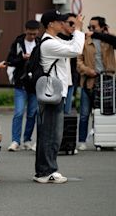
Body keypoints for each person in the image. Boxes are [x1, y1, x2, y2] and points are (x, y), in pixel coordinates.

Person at [34, 10, 84, 184]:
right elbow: (76, 50)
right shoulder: (49, 44)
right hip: (51, 94)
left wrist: (75, 30)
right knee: (51, 135)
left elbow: (72, 44)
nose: (63, 24)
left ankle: (44, 170)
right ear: (50, 24)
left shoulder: (54, 40)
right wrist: (78, 29)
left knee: (50, 134)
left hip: (54, 93)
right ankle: (47, 171)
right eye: (60, 21)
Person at [77, 16, 116, 151]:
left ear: (102, 27)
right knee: (84, 113)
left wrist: (104, 33)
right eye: (89, 27)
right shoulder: (85, 41)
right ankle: (82, 141)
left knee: (103, 112)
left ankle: (101, 140)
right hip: (89, 80)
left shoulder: (108, 41)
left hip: (106, 81)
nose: (90, 30)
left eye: (93, 27)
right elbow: (79, 61)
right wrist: (87, 70)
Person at [6, 20, 40, 151]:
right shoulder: (17, 43)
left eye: (34, 34)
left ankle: (27, 140)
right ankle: (15, 141)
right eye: (30, 33)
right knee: (19, 113)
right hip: (20, 82)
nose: (32, 36)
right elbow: (10, 60)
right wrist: (22, 59)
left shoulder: (40, 43)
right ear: (25, 30)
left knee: (32, 113)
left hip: (34, 84)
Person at [58, 13, 80, 115]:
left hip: (71, 81)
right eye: (71, 23)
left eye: (76, 24)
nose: (74, 26)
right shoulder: (56, 40)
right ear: (62, 23)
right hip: (58, 82)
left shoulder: (75, 39)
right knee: (57, 113)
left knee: (67, 113)